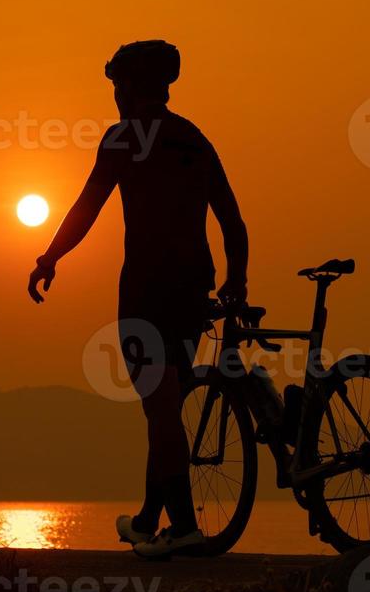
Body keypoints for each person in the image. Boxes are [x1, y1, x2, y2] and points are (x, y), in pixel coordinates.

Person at [27, 40, 249, 559]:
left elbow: (87, 207)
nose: (114, 97)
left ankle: (187, 527)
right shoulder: (193, 138)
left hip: (146, 289)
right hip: (195, 284)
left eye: (115, 87)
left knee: (161, 405)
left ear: (127, 88)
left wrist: (49, 257)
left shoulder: (122, 139)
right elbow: (233, 223)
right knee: (165, 404)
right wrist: (236, 280)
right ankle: (150, 519)